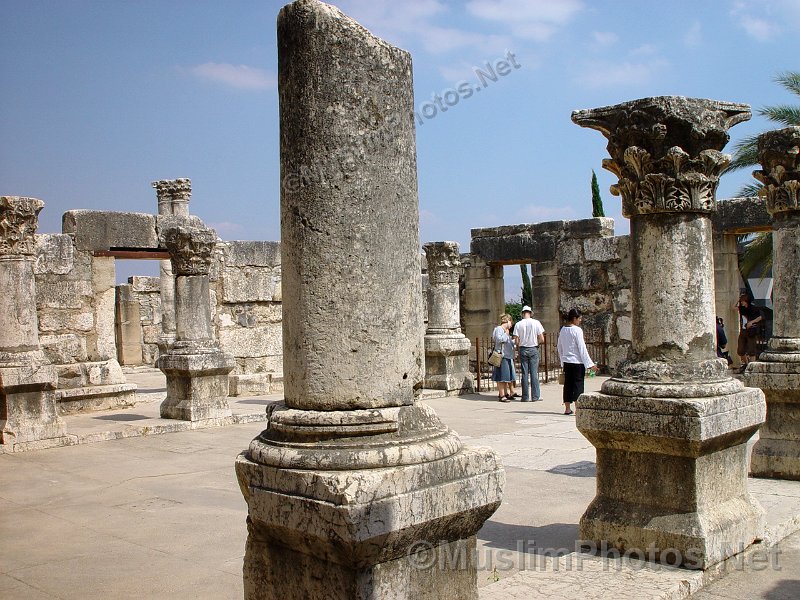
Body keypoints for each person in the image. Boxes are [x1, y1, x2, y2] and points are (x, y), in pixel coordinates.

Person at [557, 308, 597, 415]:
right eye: (579, 319)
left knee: (568, 384)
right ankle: (577, 407)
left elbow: (559, 346)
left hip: (567, 362)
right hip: (577, 362)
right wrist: (590, 364)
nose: (580, 321)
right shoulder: (577, 331)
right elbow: (582, 348)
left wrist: (562, 360)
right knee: (578, 384)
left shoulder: (563, 330)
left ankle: (567, 408)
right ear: (574, 318)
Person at [513, 305, 545, 402]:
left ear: (522, 314)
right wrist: (536, 343)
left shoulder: (518, 324)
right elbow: (542, 338)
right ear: (530, 313)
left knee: (524, 373)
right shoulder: (536, 323)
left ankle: (525, 396)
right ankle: (535, 396)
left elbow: (516, 340)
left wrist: (520, 344)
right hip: (533, 348)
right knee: (534, 373)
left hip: (523, 348)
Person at [491, 313, 516, 402]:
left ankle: (505, 393)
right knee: (502, 377)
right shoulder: (499, 329)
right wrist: (506, 334)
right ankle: (502, 395)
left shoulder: (506, 331)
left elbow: (508, 343)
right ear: (508, 321)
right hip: (502, 355)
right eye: (511, 322)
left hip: (507, 355)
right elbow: (499, 340)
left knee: (506, 377)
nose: (511, 325)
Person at [735, 293, 763, 372]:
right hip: (743, 331)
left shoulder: (754, 308)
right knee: (740, 350)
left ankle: (752, 368)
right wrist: (737, 300)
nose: (742, 303)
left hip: (751, 331)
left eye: (743, 301)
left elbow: (761, 317)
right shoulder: (742, 309)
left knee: (752, 350)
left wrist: (751, 322)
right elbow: (733, 308)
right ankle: (746, 364)